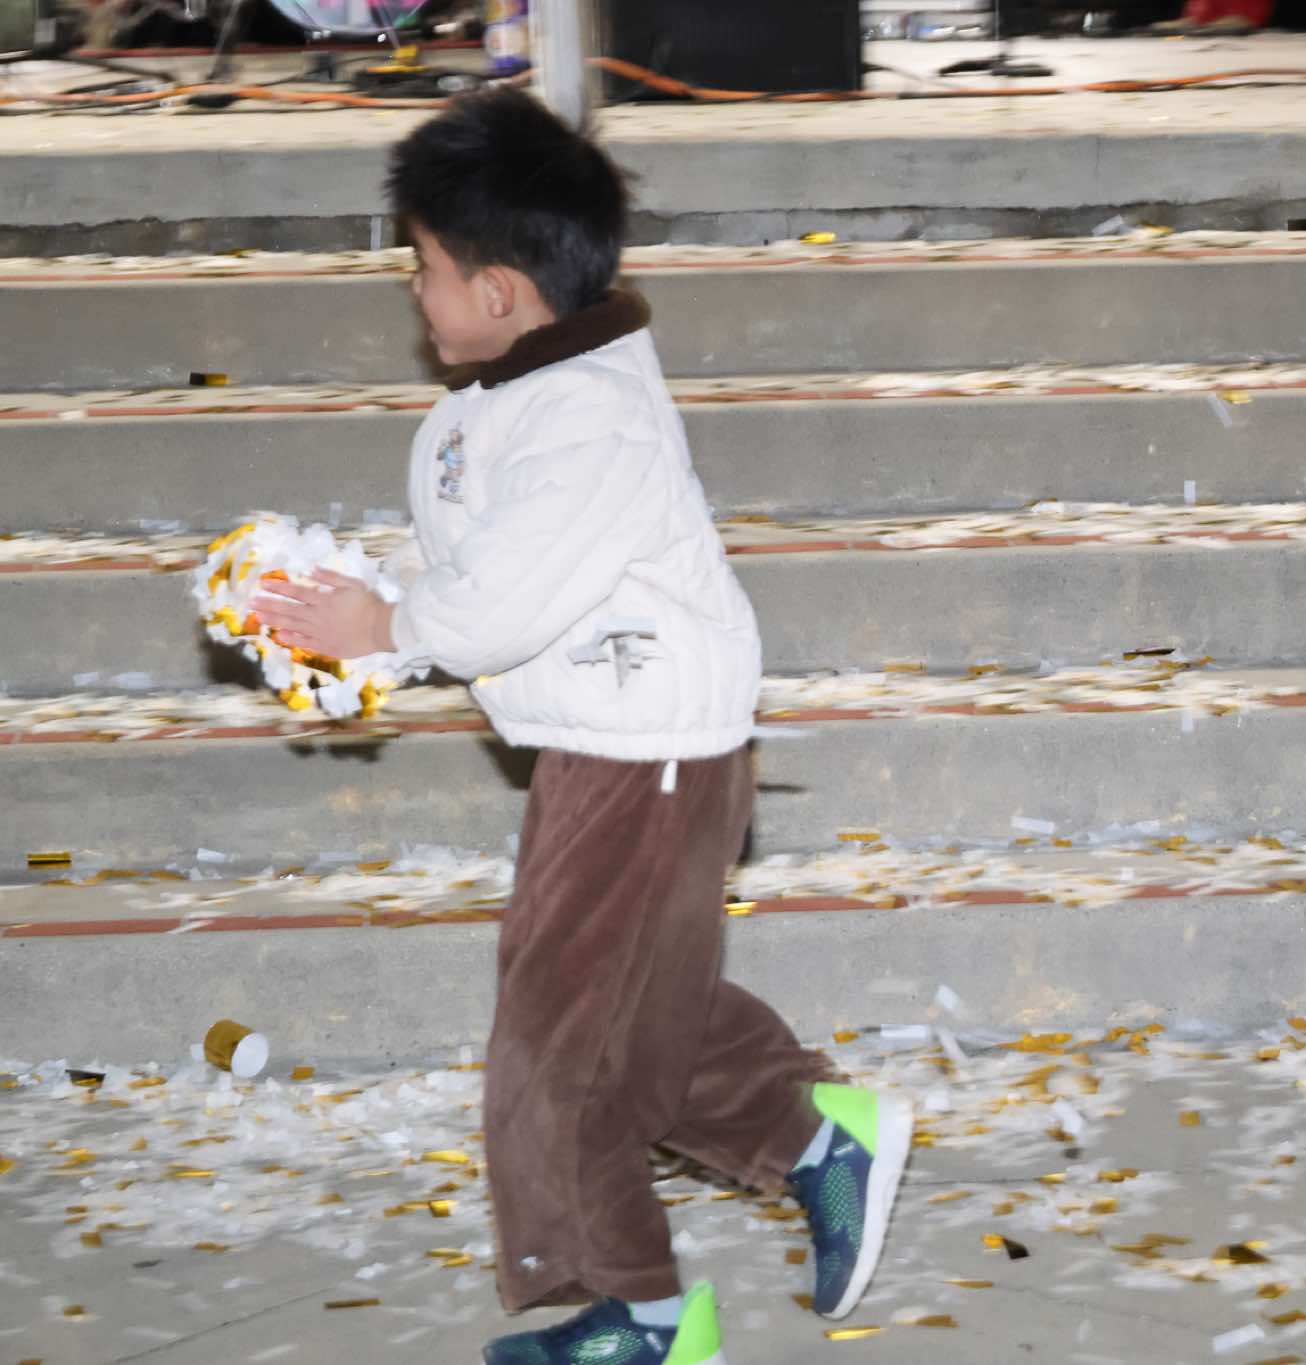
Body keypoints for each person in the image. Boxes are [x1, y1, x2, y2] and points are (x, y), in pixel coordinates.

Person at [256, 88, 913, 1365]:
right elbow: (470, 560)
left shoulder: (589, 416)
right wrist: (359, 600)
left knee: (557, 1039)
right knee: (629, 1008)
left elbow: (499, 600)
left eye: (424, 268)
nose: (414, 291)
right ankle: (811, 1138)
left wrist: (387, 626)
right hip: (612, 747)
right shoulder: (505, 399)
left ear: (499, 291)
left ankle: (641, 1314)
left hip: (645, 751)